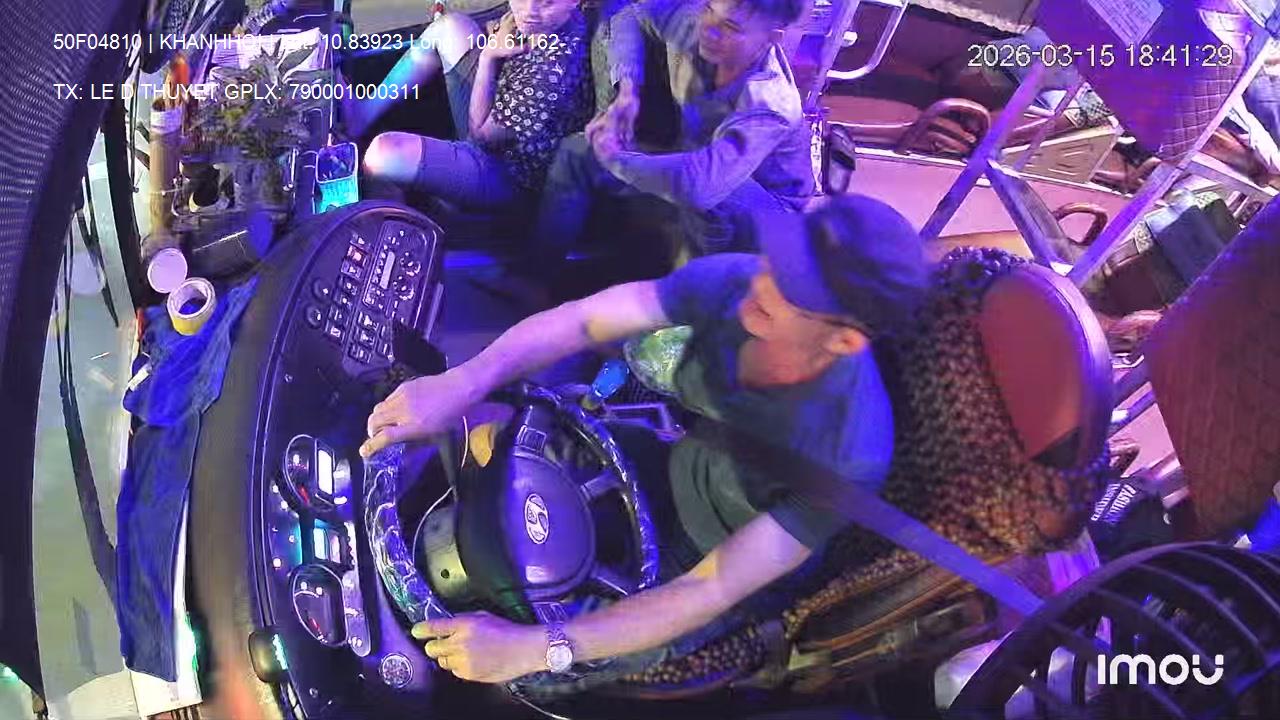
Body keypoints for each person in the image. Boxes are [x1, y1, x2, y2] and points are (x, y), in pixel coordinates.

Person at [359, 194, 928, 691]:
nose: (763, 282)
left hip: (703, 556)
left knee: (528, 672)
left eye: (795, 289)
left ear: (844, 341)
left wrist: (538, 650)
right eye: (780, 260)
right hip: (661, 451)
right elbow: (586, 321)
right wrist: (462, 382)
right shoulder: (740, 283)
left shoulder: (848, 455)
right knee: (476, 438)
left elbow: (713, 586)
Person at [533, 0, 817, 259]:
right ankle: (536, 276)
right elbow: (629, 16)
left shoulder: (769, 104)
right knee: (577, 152)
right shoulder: (698, 24)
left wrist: (617, 160)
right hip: (694, 162)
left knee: (714, 197)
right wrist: (627, 90)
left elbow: (702, 188)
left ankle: (695, 288)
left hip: (765, 214)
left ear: (772, 38)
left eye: (731, 27)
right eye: (708, 8)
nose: (709, 29)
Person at [350, 0, 598, 215]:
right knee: (451, 26)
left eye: (548, 2)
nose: (530, 11)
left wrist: (488, 56)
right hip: (504, 103)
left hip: (508, 174)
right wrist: (496, 36)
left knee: (383, 154)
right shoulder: (549, 21)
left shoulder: (551, 76)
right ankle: (361, 118)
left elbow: (480, 137)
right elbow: (499, 26)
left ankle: (407, 216)